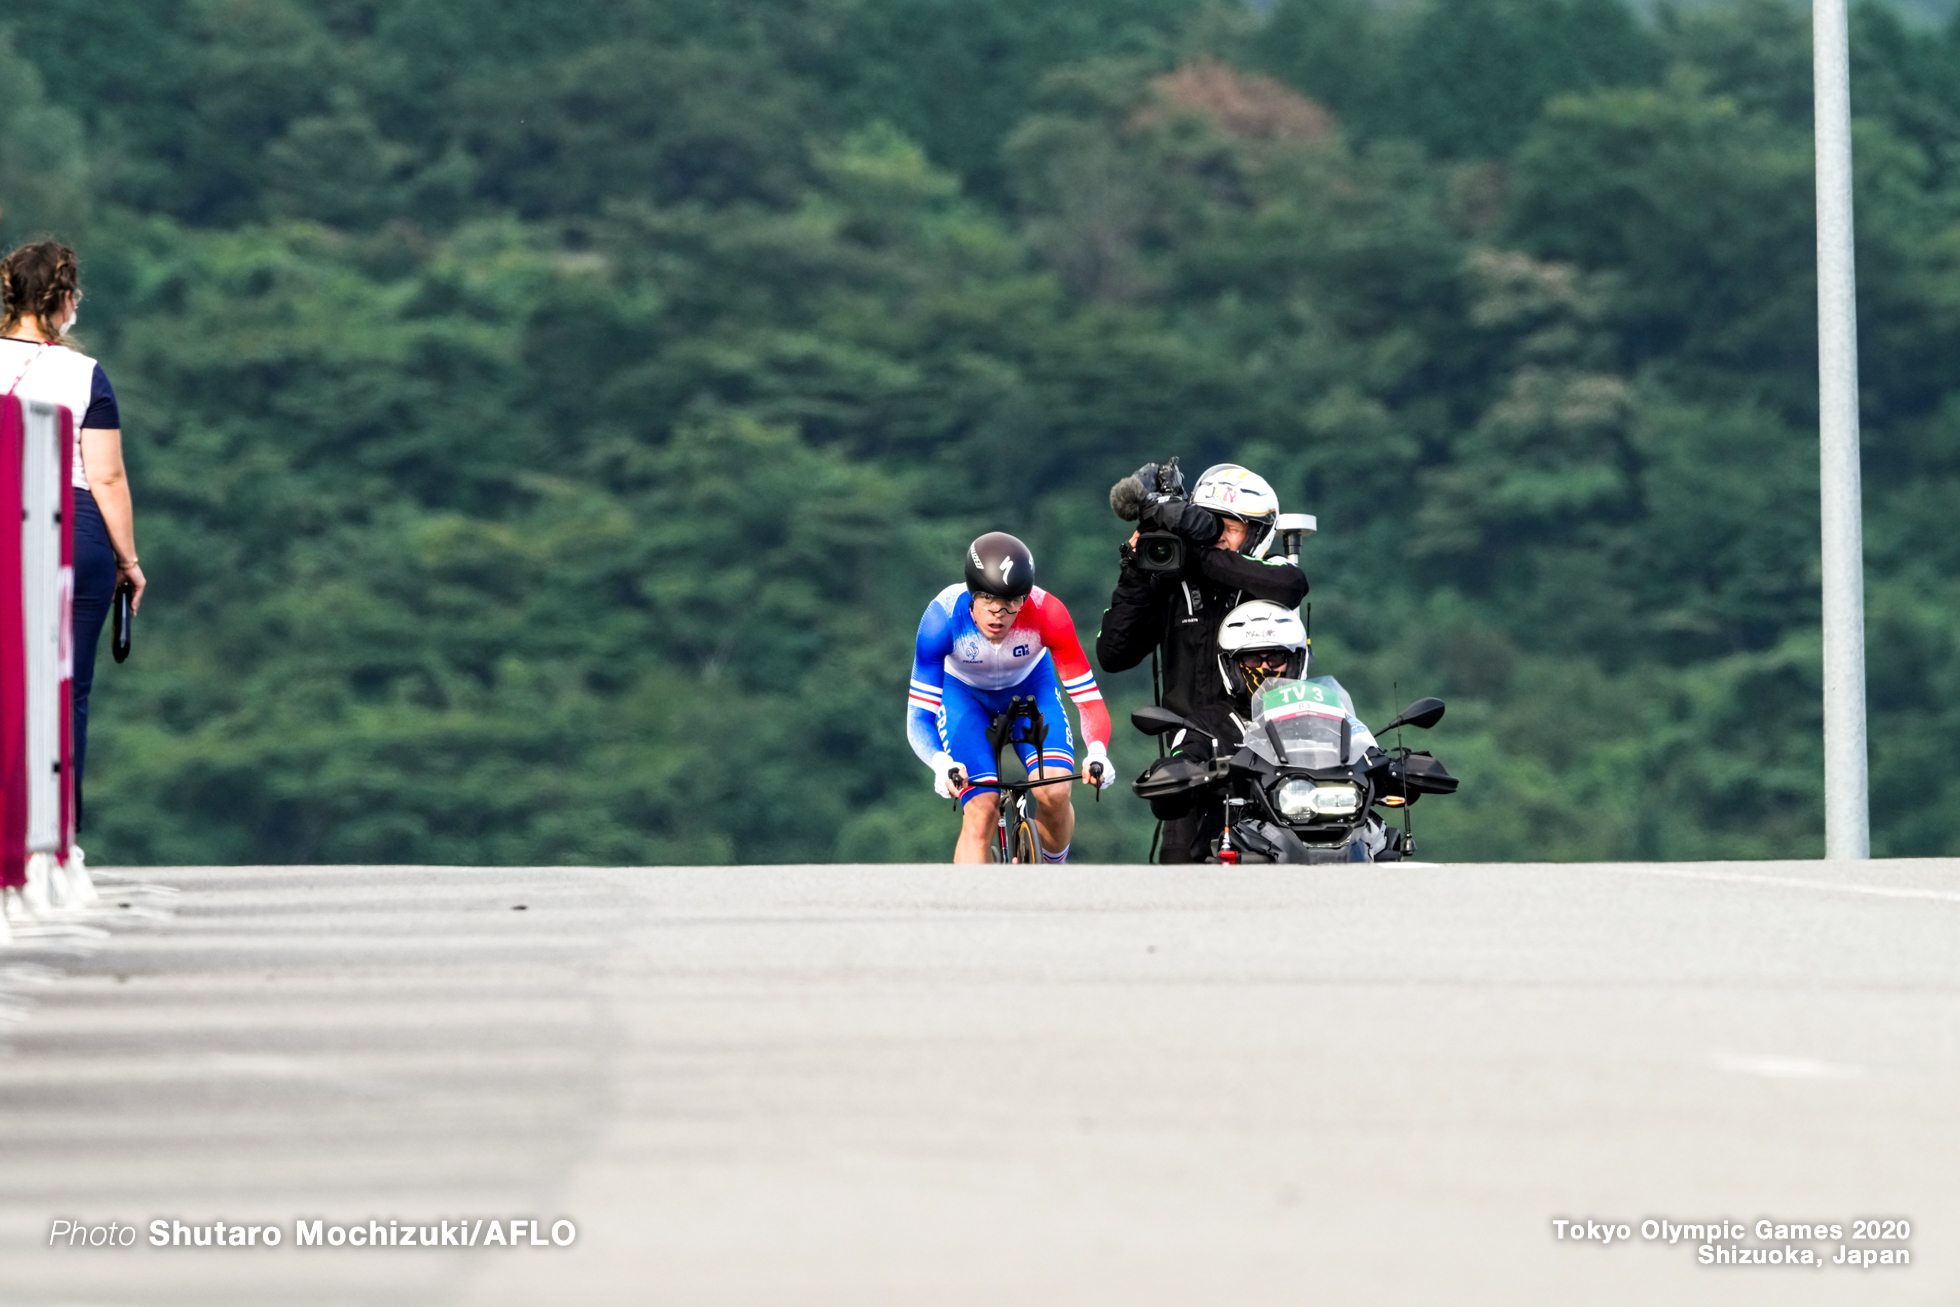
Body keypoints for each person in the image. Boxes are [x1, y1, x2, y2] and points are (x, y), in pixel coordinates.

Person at [1, 240, 144, 834]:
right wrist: (129, 561)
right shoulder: (84, 374)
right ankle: (54, 837)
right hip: (72, 525)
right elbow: (106, 476)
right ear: (62, 299)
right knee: (65, 687)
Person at [1096, 462, 1306, 862]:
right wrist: (1135, 572)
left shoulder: (1275, 570)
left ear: (1257, 533)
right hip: (1193, 760)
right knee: (1181, 876)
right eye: (1209, 525)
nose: (1219, 538)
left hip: (1276, 758)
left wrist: (1197, 555)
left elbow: (1292, 586)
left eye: (1231, 528)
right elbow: (1114, 654)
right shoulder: (1171, 581)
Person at [908, 532, 1114, 863]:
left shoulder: (1048, 614)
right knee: (981, 809)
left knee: (1055, 790)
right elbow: (919, 717)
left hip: (1030, 691)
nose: (999, 613)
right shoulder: (941, 620)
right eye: (988, 599)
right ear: (972, 593)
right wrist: (941, 763)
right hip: (964, 698)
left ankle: (1049, 875)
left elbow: (1088, 700)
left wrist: (1098, 752)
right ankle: (974, 904)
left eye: (1012, 602)